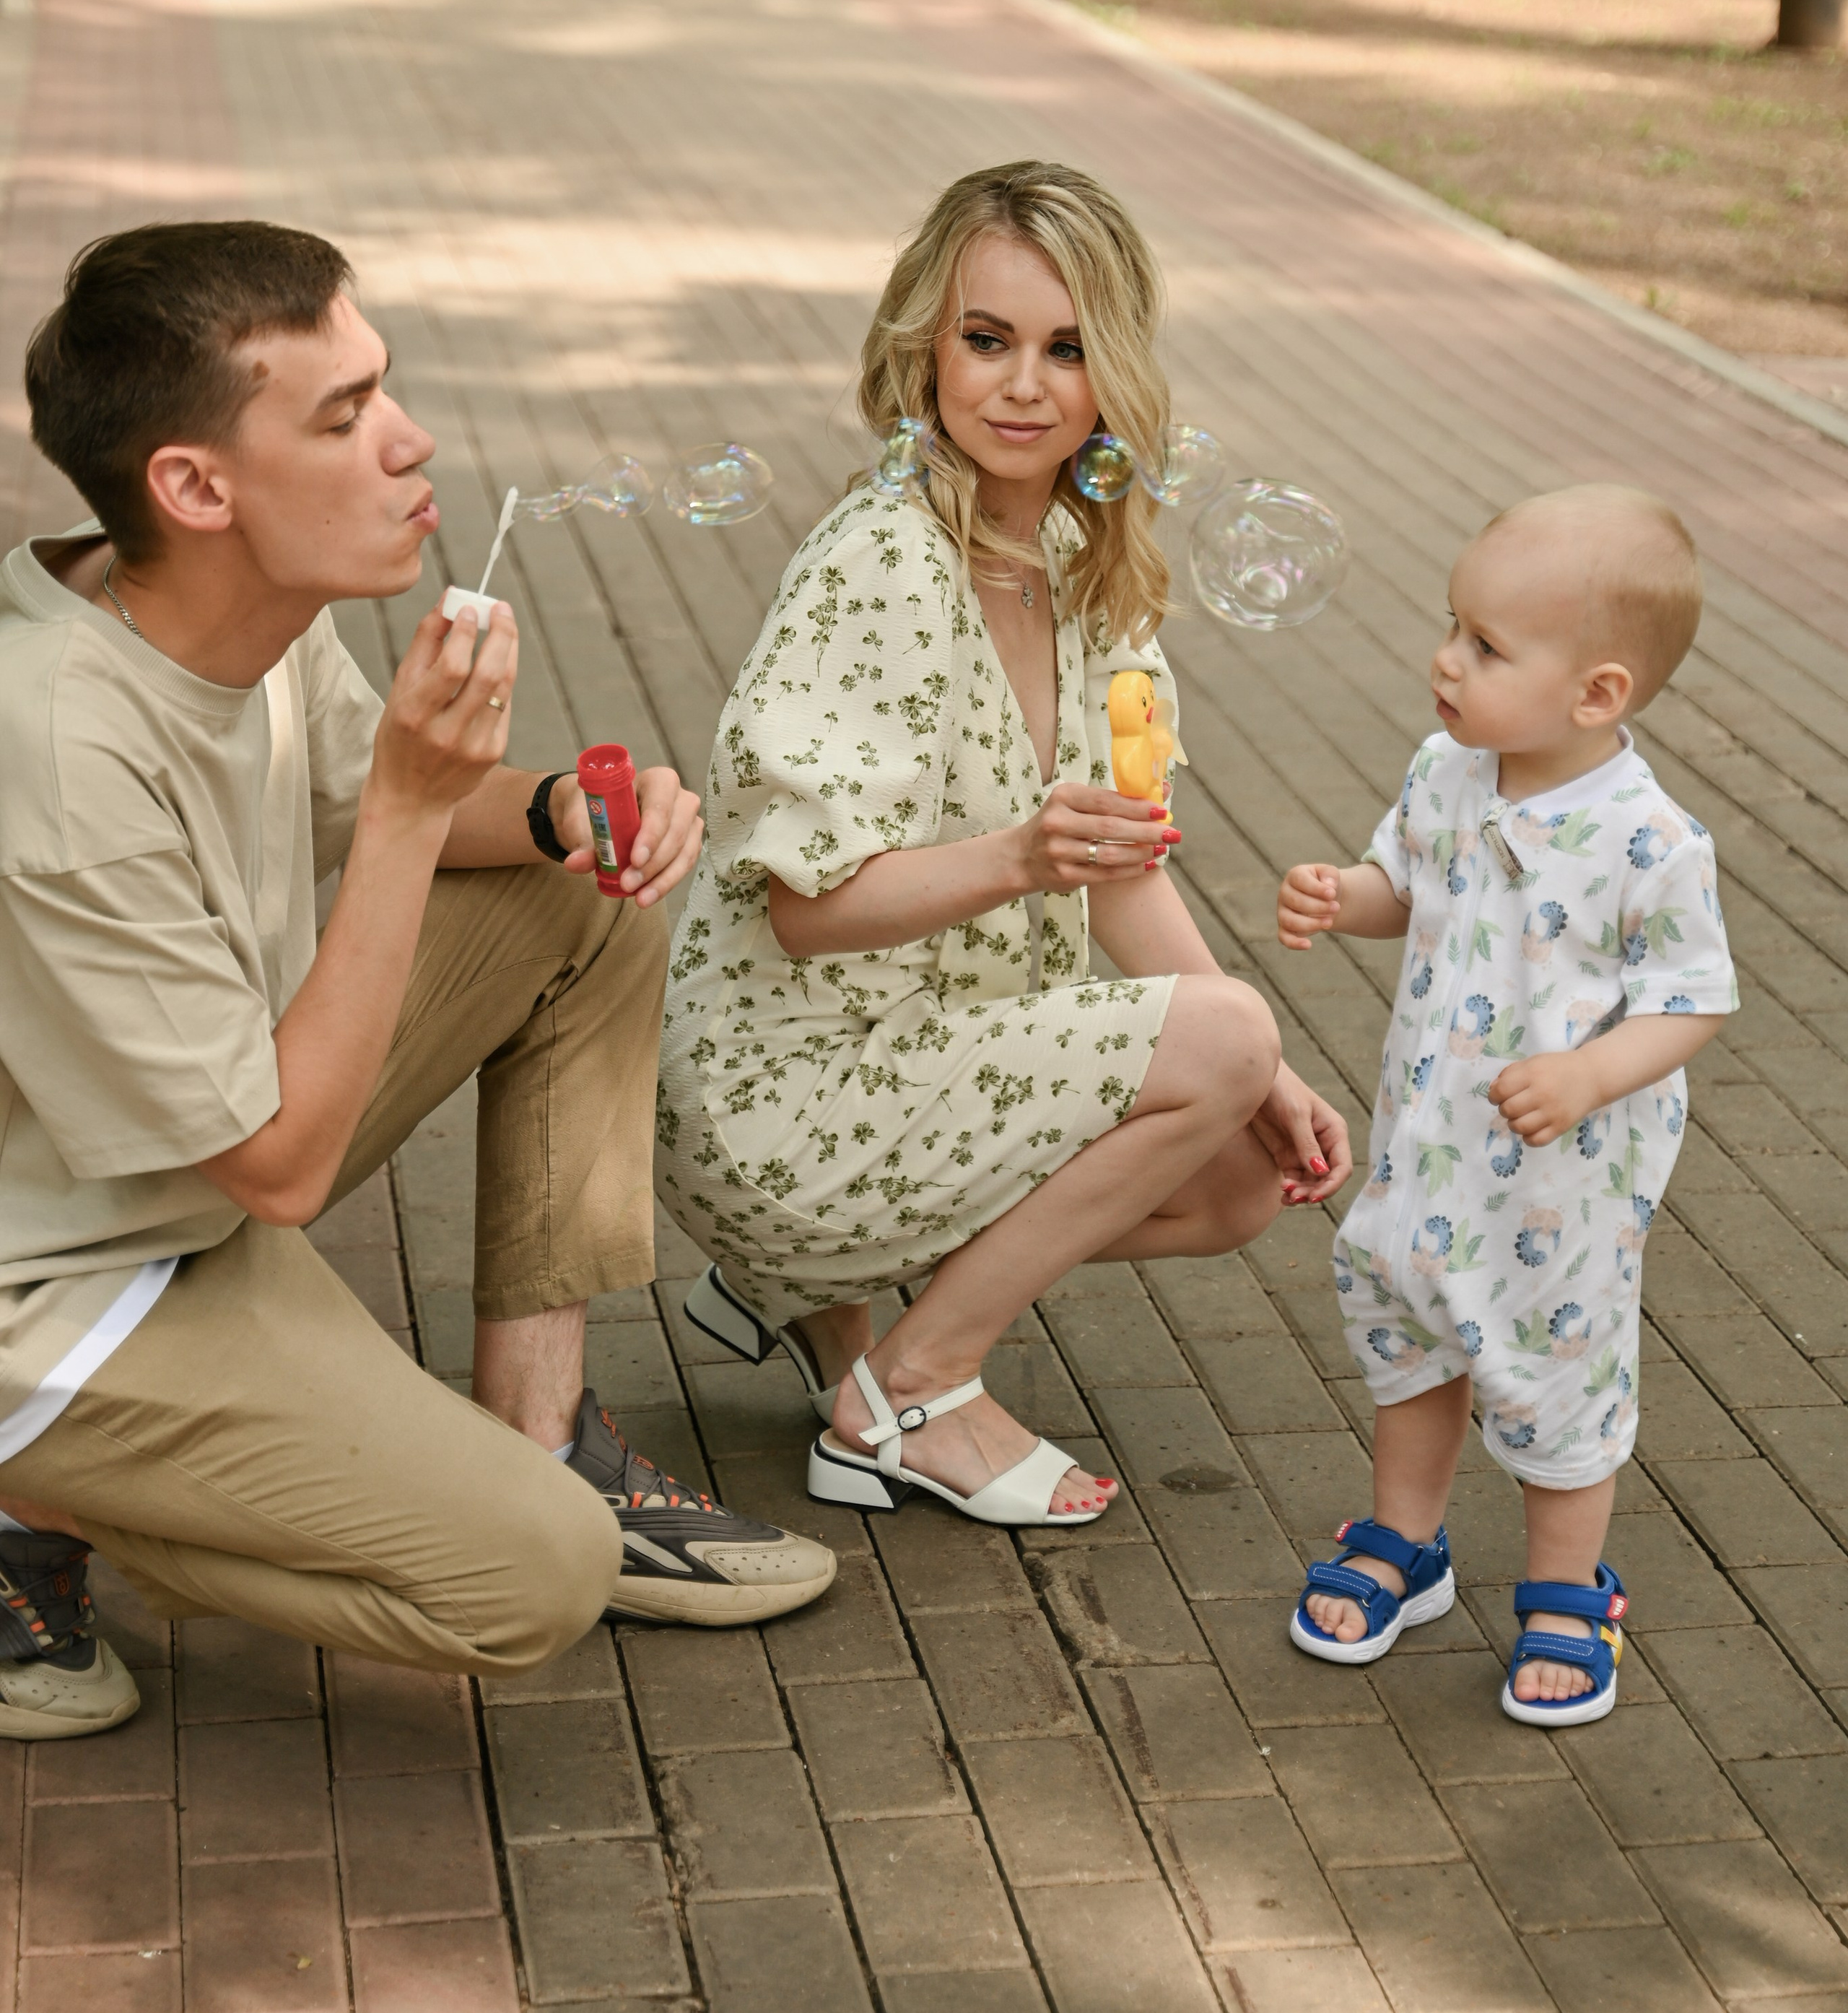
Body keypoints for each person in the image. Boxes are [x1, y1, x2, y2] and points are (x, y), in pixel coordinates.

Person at [0, 222, 834, 1745]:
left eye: (383, 389)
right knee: (534, 1581)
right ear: (195, 486)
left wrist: (549, 812)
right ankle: (29, 1489)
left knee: (577, 908)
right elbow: (283, 1167)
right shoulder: (52, 742)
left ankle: (541, 1426)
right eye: (343, 413)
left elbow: (349, 799)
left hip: (196, 1157)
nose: (412, 438)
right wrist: (398, 807)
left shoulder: (225, 607)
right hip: (57, 1281)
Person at [657, 161, 1352, 1530]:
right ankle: (909, 1387)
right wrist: (1028, 864)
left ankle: (806, 1293)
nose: (1023, 386)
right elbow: (808, 912)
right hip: (785, 1089)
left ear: (1117, 373)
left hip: (924, 1049)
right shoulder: (884, 566)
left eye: (1068, 348)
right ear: (926, 346)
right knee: (1222, 1043)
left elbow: (1121, 862)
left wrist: (1256, 1063)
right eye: (988, 341)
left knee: (1241, 1170)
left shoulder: (1085, 561)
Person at [1278, 484, 1735, 1726]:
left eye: (1486, 646)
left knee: (1554, 1369)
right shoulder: (1447, 771)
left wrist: (1590, 1073)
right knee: (1412, 1326)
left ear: (1597, 694)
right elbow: (1405, 887)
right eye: (1452, 626)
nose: (1446, 658)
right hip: (1431, 1147)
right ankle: (1404, 1541)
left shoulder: (1649, 842)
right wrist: (1346, 895)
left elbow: (1695, 1001)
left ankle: (1563, 1585)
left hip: (1561, 1183)